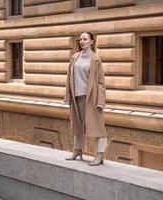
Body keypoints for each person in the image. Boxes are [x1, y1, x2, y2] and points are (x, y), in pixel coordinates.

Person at [64, 32, 107, 166]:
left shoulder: (95, 59)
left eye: (85, 39)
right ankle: (78, 150)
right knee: (78, 125)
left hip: (91, 99)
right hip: (77, 98)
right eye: (81, 39)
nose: (82, 41)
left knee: (98, 127)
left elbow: (101, 82)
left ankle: (100, 155)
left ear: (92, 42)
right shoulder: (74, 57)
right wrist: (68, 97)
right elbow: (68, 79)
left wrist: (101, 101)